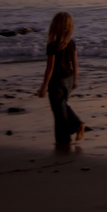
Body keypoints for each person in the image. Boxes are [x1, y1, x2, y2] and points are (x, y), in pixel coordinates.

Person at [38, 12, 85, 145]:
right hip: (68, 79)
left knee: (58, 111)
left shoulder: (52, 45)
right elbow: (75, 63)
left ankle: (67, 135)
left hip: (57, 82)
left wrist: (43, 87)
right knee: (61, 106)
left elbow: (50, 68)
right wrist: (75, 80)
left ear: (55, 26)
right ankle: (69, 132)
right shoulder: (71, 43)